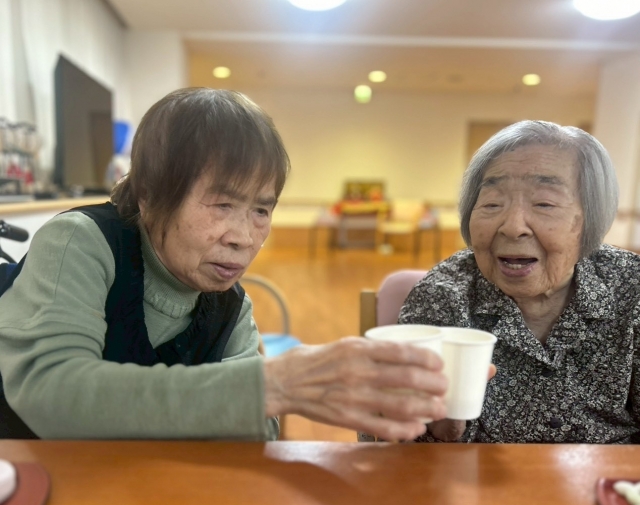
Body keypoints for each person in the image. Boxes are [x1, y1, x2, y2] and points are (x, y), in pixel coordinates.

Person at [0, 88, 447, 441]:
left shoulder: (230, 307)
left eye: (261, 210)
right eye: (222, 204)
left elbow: (259, 434)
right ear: (151, 194)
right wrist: (273, 385)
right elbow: (49, 389)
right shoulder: (81, 241)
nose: (244, 237)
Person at [400, 120, 640, 444]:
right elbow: (401, 443)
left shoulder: (632, 288)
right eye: (492, 204)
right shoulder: (442, 297)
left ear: (588, 220)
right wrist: (437, 435)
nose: (513, 227)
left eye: (544, 204)